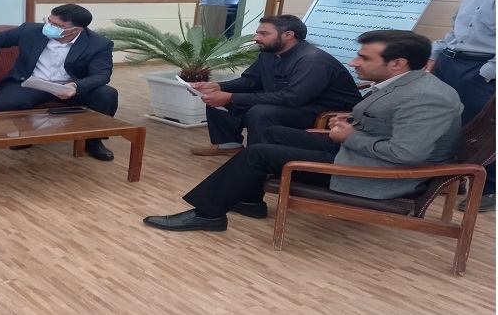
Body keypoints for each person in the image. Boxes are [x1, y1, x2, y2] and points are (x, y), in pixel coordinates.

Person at [143, 30, 462, 232]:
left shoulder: (426, 97)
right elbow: (388, 122)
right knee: (273, 133)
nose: (354, 63)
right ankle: (250, 201)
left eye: (364, 57)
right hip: (360, 154)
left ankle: (208, 214)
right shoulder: (402, 83)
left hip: (380, 175)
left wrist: (352, 136)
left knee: (258, 153)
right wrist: (351, 123)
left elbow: (407, 153)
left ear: (398, 63)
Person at [188, 15, 363, 156]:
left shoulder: (312, 60)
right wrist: (218, 87)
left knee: (261, 112)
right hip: (288, 101)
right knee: (214, 98)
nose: (256, 38)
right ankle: (228, 144)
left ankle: (258, 156)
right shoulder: (269, 53)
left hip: (321, 109)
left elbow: (294, 97)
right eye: (257, 33)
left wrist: (231, 97)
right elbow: (250, 80)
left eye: (264, 34)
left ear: (288, 35)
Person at [0, 4, 118, 161]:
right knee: (6, 102)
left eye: (57, 25)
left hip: (69, 86)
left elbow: (102, 74)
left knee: (107, 94)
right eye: (49, 21)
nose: (49, 26)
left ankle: (92, 141)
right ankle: (22, 135)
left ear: (76, 30)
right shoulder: (30, 30)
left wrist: (75, 86)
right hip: (31, 83)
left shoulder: (99, 44)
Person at [426, 0, 496, 212]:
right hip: (451, 63)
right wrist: (435, 55)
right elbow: (456, 30)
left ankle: (488, 189)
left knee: (483, 130)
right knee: (445, 122)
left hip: (482, 69)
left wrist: (488, 72)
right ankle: (455, 178)